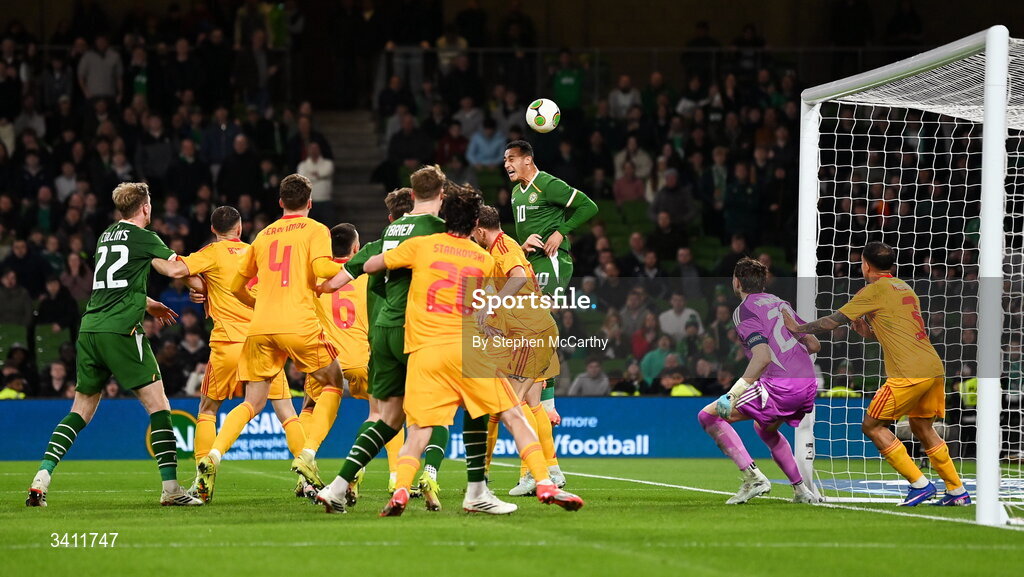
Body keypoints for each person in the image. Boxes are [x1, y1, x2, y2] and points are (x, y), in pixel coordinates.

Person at [344, 185, 583, 516]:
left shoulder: (423, 245)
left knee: (419, 428)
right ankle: (542, 480)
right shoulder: (483, 258)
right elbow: (489, 296)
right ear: (474, 225)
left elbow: (371, 265)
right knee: (513, 413)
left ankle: (401, 488)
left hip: (424, 351)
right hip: (467, 348)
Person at [27, 182, 202, 507]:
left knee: (79, 410)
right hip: (121, 332)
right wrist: (207, 265)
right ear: (145, 208)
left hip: (90, 329)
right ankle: (171, 489)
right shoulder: (145, 237)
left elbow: (115, 284)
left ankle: (41, 478)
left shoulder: (105, 236)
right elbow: (175, 268)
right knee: (159, 406)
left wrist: (149, 303)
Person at [192, 174, 349, 499]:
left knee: (253, 402)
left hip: (261, 327)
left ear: (280, 203)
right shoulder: (316, 229)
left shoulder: (263, 236)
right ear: (309, 202)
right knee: (333, 382)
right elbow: (322, 268)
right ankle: (306, 461)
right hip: (297, 322)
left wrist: (257, 303)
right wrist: (353, 267)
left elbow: (237, 285)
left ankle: (213, 456)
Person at [783, 241, 970, 506]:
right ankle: (957, 491)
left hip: (908, 372)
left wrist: (797, 328)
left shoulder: (873, 291)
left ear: (865, 265)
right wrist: (868, 333)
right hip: (932, 367)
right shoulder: (905, 288)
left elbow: (831, 321)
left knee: (871, 426)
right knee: (921, 426)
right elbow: (900, 331)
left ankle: (920, 484)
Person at [315, 166, 449, 513]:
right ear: (441, 195)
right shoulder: (437, 231)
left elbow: (336, 281)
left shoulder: (385, 236)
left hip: (380, 335)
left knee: (386, 417)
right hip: (415, 332)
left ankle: (338, 486)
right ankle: (426, 481)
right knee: (435, 414)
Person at [172, 206, 304, 502]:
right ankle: (307, 475)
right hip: (263, 341)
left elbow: (178, 269)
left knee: (208, 410)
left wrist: (198, 284)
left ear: (213, 229)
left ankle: (202, 481)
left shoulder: (212, 252)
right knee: (287, 413)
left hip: (228, 343)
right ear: (240, 228)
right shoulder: (257, 251)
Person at [698, 258, 821, 504]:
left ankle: (753, 478)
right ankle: (801, 491)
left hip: (781, 386)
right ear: (763, 282)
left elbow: (762, 356)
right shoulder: (779, 303)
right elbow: (814, 344)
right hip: (808, 384)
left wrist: (733, 393)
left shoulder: (744, 310)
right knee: (765, 429)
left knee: (708, 416)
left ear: (736, 281)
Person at [303, 221, 404, 499]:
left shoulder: (315, 279)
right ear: (357, 248)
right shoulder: (368, 273)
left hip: (327, 360)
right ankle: (395, 476)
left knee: (309, 406)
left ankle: (305, 467)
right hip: (362, 359)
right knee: (386, 413)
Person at [505, 139, 598, 440]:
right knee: (529, 326)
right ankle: (541, 399)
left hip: (552, 262)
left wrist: (560, 232)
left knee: (540, 322)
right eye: (505, 159)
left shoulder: (547, 183)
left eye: (512, 159)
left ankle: (549, 401)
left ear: (528, 160)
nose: (507, 164)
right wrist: (520, 247)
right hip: (529, 263)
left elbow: (589, 206)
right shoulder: (516, 193)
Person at [472, 204, 566, 500]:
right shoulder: (505, 245)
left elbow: (518, 278)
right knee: (530, 402)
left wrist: (492, 305)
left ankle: (532, 474)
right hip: (533, 330)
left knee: (514, 403)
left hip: (530, 333)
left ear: (479, 229)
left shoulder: (503, 247)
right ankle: (550, 469)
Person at [296, 142, 334, 224]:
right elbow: (302, 179)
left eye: (315, 148)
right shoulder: (302, 165)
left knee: (327, 226)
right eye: (312, 148)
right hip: (309, 202)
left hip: (325, 201)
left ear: (319, 150)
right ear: (308, 150)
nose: (314, 151)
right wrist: (318, 176)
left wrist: (309, 175)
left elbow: (326, 172)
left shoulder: (328, 163)